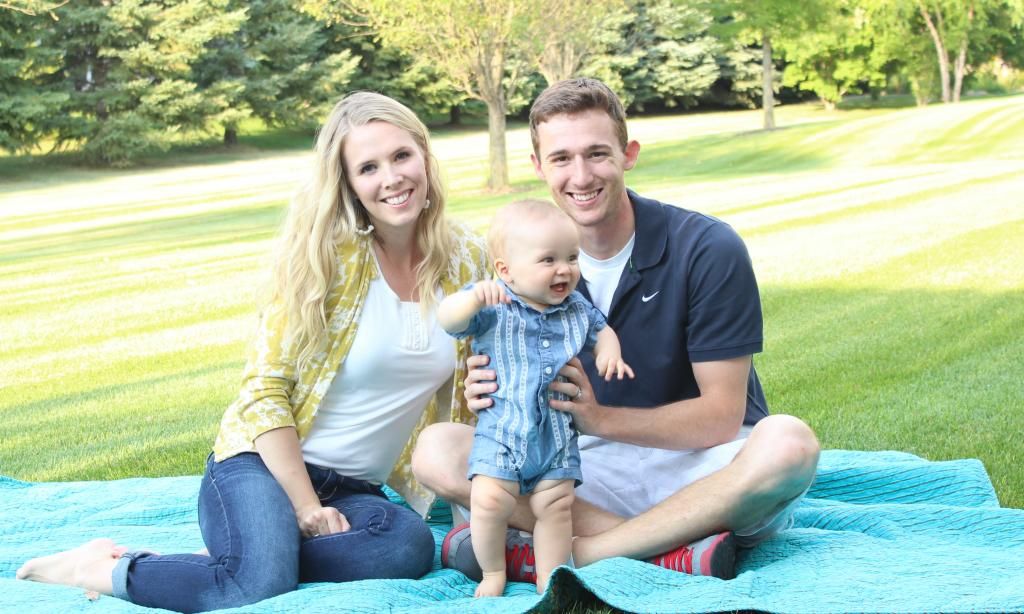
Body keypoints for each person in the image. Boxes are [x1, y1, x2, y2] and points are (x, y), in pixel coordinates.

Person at [16, 92, 489, 613]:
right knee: (255, 584)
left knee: (406, 546)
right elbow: (264, 391)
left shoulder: (466, 258)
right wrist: (305, 507)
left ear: (424, 154)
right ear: (349, 184)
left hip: (354, 486)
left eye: (402, 156)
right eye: (369, 167)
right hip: (259, 464)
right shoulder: (323, 259)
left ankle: (245, 551)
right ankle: (105, 568)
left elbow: (474, 385)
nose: (392, 178)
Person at [412, 77, 821, 583]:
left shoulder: (708, 247)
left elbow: (721, 417)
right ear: (539, 166)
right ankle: (671, 550)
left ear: (628, 154)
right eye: (561, 158)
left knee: (790, 444)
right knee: (438, 450)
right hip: (585, 472)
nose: (580, 176)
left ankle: (583, 555)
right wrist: (489, 392)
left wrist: (600, 419)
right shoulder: (517, 267)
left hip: (703, 466)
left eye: (597, 154)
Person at [436, 199, 633, 596]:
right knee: (489, 503)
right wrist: (472, 299)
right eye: (548, 260)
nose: (565, 269)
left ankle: (551, 576)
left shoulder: (576, 307)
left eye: (572, 257)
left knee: (556, 508)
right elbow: (448, 318)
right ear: (505, 270)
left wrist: (609, 350)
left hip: (556, 439)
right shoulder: (493, 305)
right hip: (502, 435)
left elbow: (602, 330)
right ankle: (493, 572)